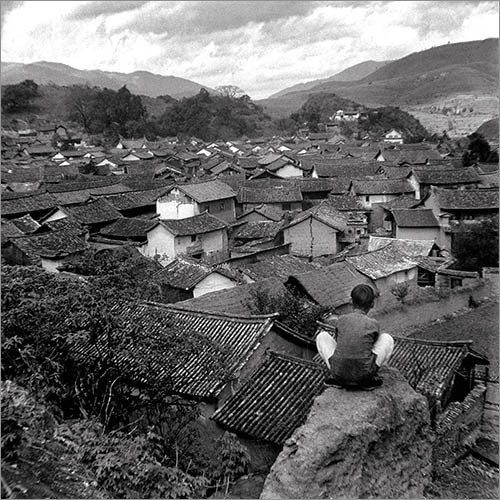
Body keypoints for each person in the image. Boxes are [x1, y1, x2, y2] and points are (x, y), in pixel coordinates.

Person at [316, 284, 394, 389]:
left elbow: (339, 341)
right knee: (387, 338)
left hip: (340, 375)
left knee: (322, 336)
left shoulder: (341, 320)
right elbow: (372, 346)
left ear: (351, 301)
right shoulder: (373, 323)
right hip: (364, 376)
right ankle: (371, 378)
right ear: (372, 304)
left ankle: (335, 378)